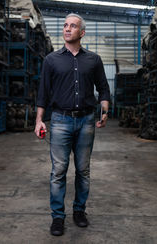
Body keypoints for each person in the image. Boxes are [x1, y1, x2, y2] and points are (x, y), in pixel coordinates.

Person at [34, 13, 110, 236]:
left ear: (82, 33)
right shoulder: (51, 60)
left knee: (83, 170)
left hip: (86, 120)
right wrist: (39, 119)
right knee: (58, 171)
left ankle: (79, 211)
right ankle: (58, 217)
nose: (67, 29)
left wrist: (105, 110)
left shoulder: (93, 60)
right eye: (65, 25)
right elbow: (43, 93)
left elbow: (103, 88)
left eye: (73, 26)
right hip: (59, 121)